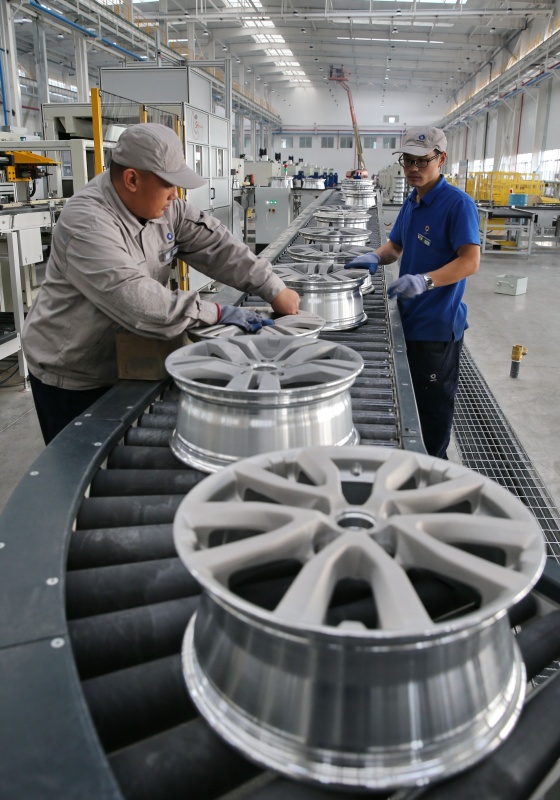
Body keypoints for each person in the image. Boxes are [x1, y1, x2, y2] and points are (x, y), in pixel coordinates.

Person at [23, 122, 300, 444]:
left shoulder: (165, 208)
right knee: (79, 463)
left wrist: (273, 287)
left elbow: (217, 246)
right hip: (73, 373)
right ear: (132, 179)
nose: (175, 195)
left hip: (127, 356)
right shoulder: (87, 223)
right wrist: (216, 313)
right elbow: (139, 302)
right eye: (168, 184)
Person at [345, 126, 480, 459]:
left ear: (441, 159)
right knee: (410, 405)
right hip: (408, 318)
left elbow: (470, 261)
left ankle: (433, 470)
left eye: (422, 161)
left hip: (436, 327)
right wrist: (374, 256)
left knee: (431, 417)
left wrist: (425, 281)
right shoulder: (413, 201)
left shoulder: (457, 204)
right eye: (407, 161)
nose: (413, 168)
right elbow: (395, 247)